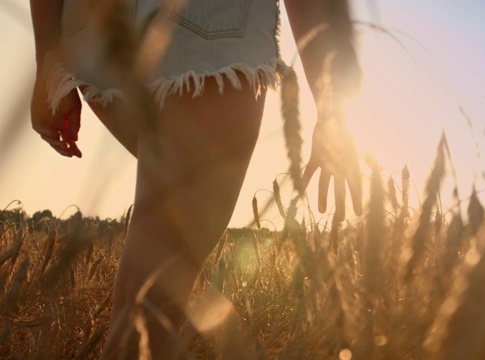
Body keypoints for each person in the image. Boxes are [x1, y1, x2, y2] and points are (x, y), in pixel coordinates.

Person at [29, 0, 362, 357]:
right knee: (147, 312)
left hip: (94, 34)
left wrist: (48, 60)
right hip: (204, 30)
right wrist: (333, 111)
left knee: (155, 271)